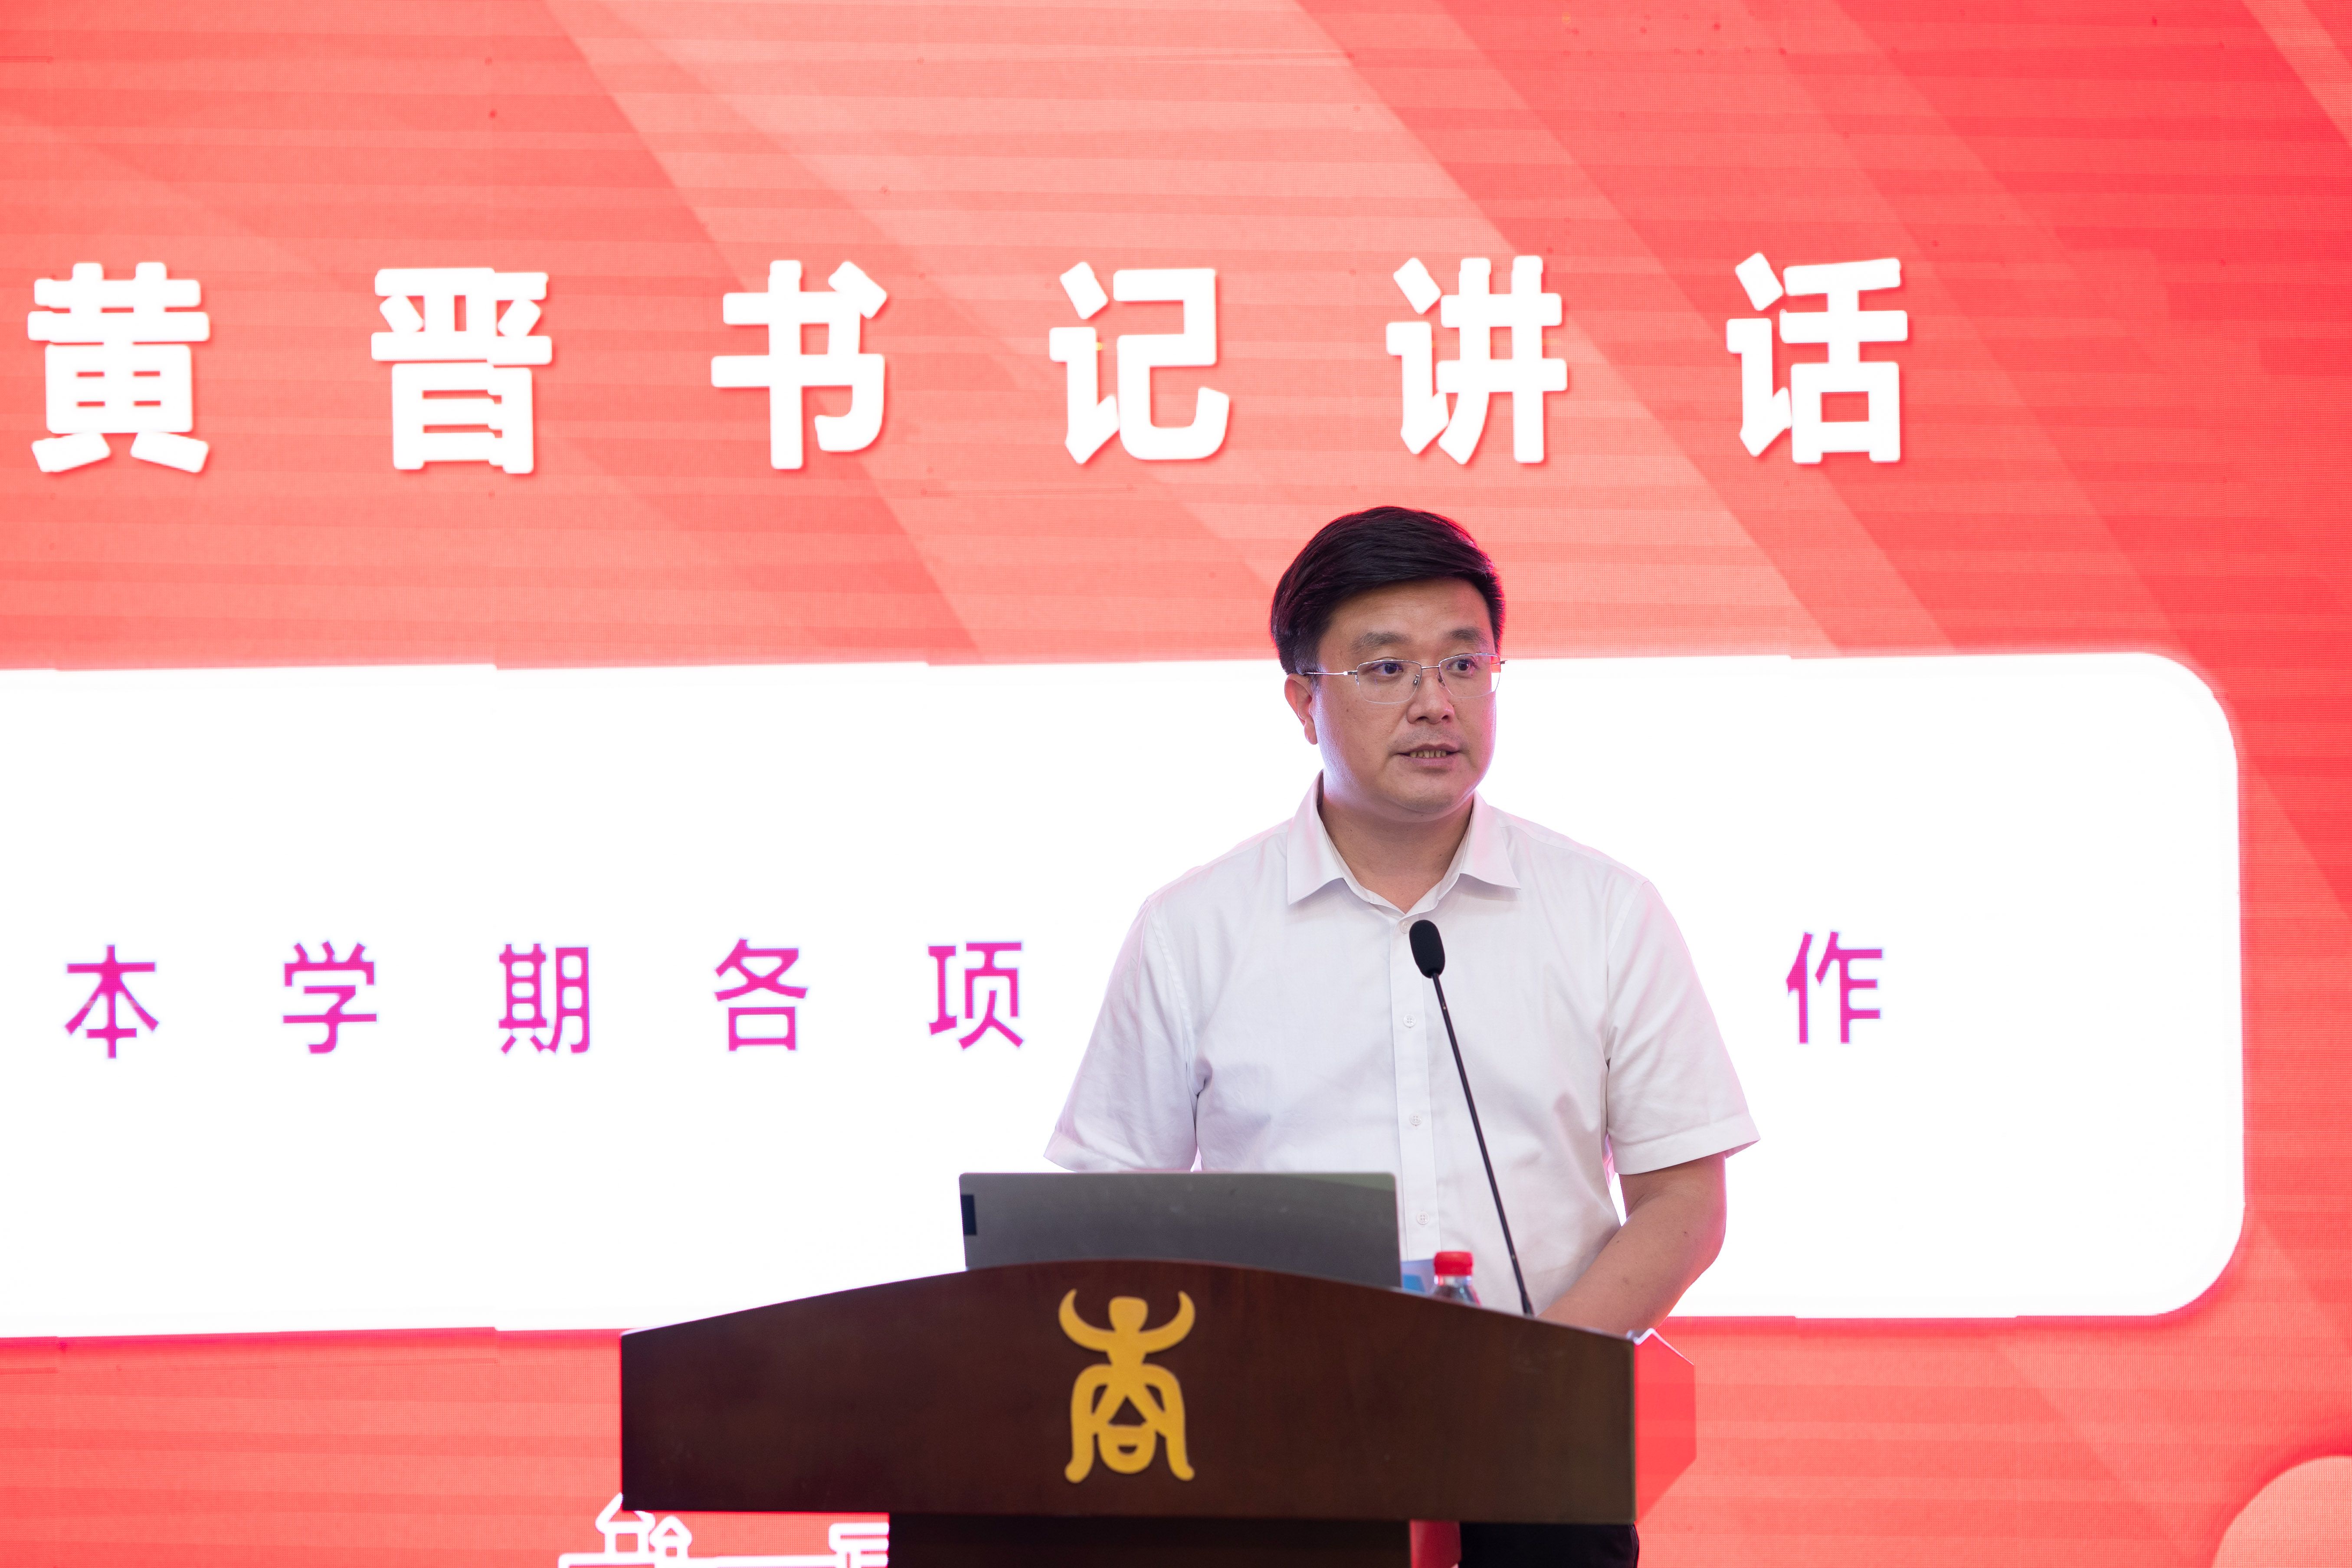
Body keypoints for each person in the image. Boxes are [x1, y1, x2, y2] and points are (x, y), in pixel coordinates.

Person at [1046, 505, 1756, 1568]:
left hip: (1545, 1456)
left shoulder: (1604, 910)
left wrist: (1530, 1370)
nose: (1435, 701)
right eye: (1385, 668)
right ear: (1302, 699)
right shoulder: (1194, 929)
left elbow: (1682, 1199)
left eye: (1463, 663)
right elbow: (1103, 1208)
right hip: (1276, 1454)